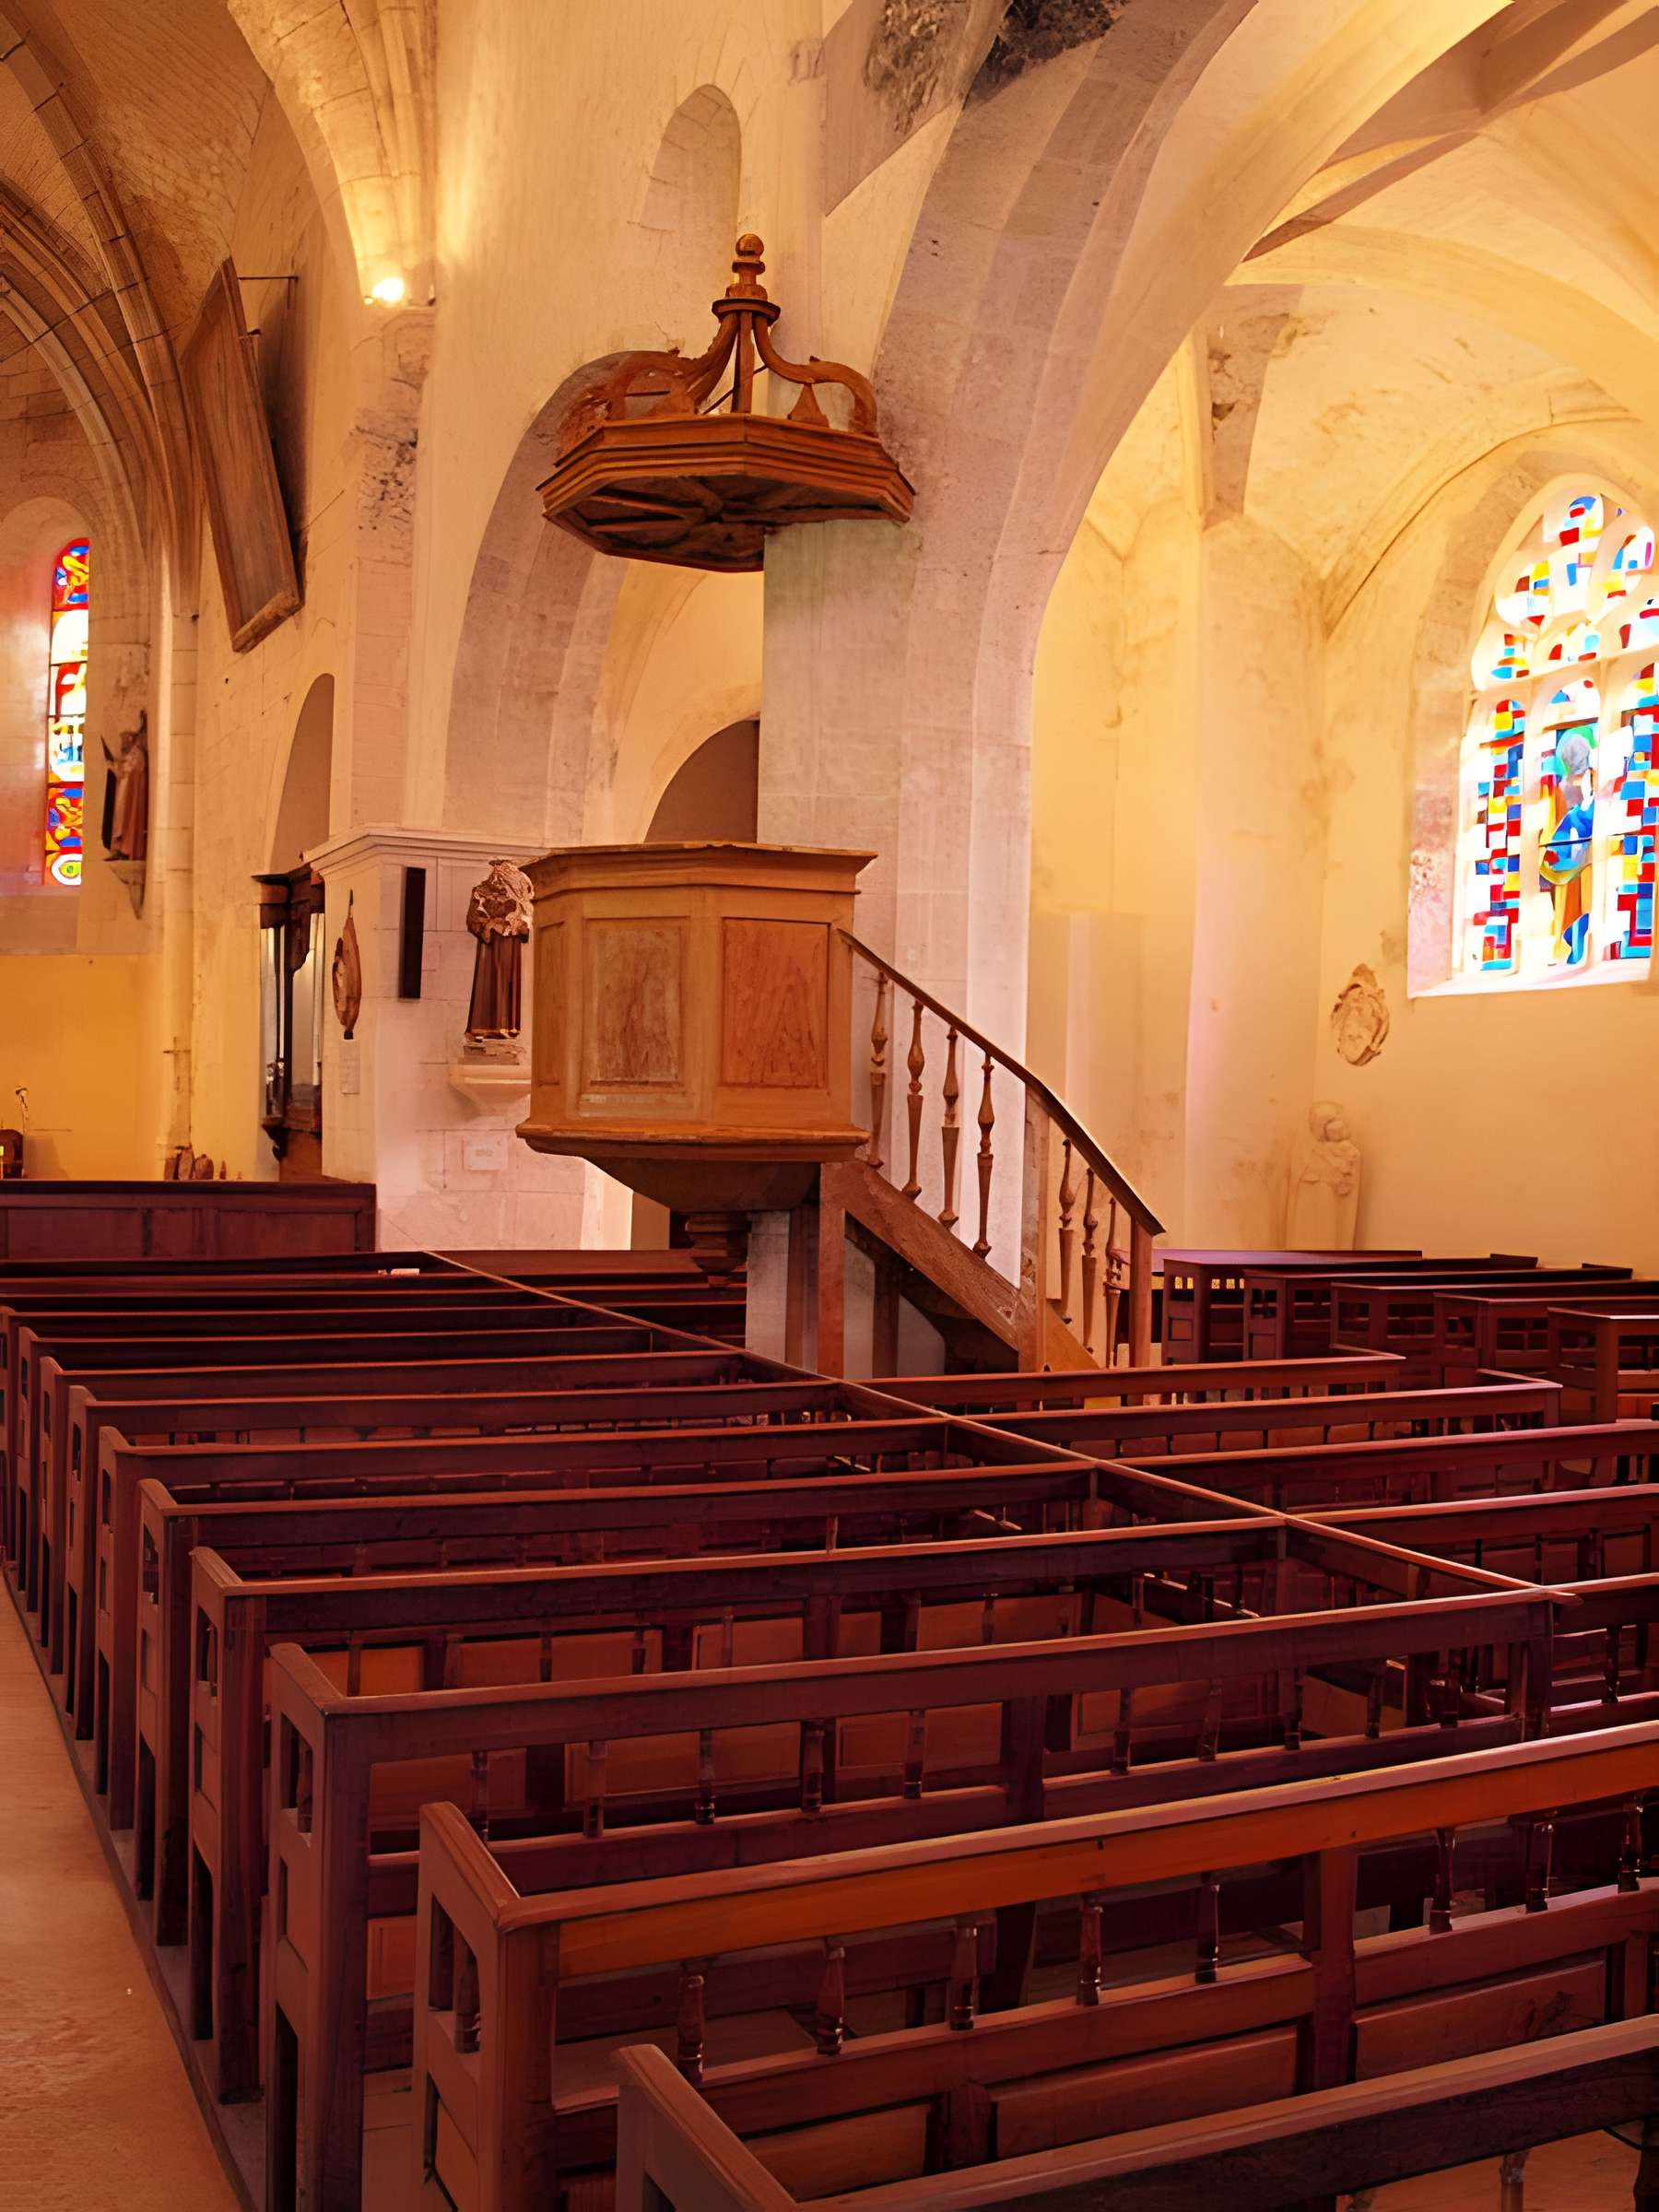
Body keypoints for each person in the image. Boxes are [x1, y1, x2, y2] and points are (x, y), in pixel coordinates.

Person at [465, 858, 535, 1039]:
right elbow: (473, 919)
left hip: (510, 947)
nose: (503, 873)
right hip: (490, 947)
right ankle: (481, 1027)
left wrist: (515, 926)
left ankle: (507, 1027)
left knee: (508, 983)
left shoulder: (520, 897)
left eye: (508, 869)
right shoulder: (481, 892)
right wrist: (488, 926)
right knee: (487, 983)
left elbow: (528, 920)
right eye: (500, 869)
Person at [1286, 1100, 1360, 1250]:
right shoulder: (1305, 1147)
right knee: (1305, 1233)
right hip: (1308, 1195)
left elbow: (1351, 1164)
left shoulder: (1345, 1149)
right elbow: (1300, 1172)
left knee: (1325, 1234)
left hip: (1327, 1196)